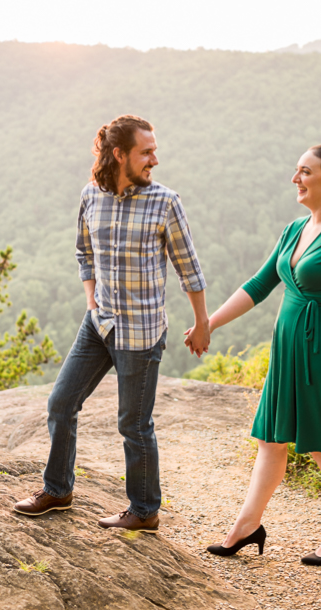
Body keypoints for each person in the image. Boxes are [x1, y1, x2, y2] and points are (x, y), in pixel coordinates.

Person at [14, 115, 211, 533]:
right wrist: (90, 299)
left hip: (140, 333)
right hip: (98, 324)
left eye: (154, 151)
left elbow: (188, 269)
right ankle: (58, 490)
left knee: (133, 425)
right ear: (119, 154)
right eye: (146, 152)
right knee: (61, 403)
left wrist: (202, 323)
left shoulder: (165, 202)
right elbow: (83, 253)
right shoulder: (91, 196)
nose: (154, 159)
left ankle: (144, 511)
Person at [191, 144, 321, 565]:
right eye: (296, 170)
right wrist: (210, 323)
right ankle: (246, 526)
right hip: (288, 350)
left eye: (305, 171)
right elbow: (258, 285)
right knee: (271, 441)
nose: (296, 178)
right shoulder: (295, 229)